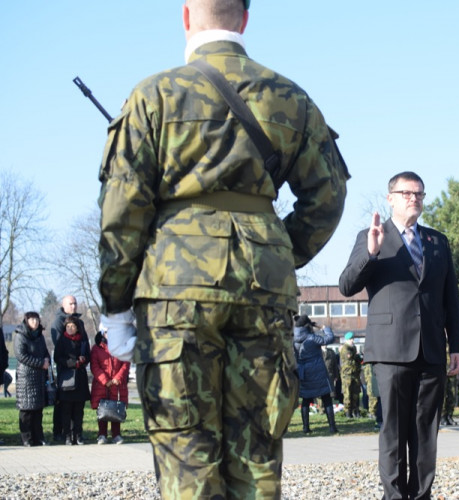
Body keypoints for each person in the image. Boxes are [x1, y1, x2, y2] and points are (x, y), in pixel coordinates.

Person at [96, 0, 348, 496]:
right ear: (245, 19)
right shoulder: (289, 97)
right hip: (263, 293)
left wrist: (116, 306)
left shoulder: (154, 95)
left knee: (185, 454)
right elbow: (328, 195)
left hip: (175, 291)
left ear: (187, 16)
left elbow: (122, 213)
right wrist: (272, 255)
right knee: (257, 454)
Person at [339, 171, 459, 500]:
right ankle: (393, 497)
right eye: (407, 193)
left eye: (420, 194)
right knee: (393, 433)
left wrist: (458, 346)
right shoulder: (372, 237)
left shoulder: (438, 242)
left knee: (425, 434)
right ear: (390, 198)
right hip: (391, 350)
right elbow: (346, 285)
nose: (414, 198)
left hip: (432, 350)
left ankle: (421, 495)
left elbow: (451, 297)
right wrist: (371, 252)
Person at [50, 295, 88, 442]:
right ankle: (60, 432)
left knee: (78, 406)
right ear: (63, 305)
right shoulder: (58, 321)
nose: (74, 306)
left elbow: (84, 342)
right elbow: (60, 347)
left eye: (75, 303)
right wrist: (73, 361)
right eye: (71, 303)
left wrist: (83, 358)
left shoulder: (80, 322)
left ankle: (76, 433)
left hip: (79, 371)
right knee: (63, 405)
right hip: (66, 371)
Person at [293, 315, 338, 434]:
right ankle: (332, 427)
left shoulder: (294, 339)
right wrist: (324, 327)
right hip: (318, 371)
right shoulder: (312, 337)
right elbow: (329, 339)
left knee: (306, 400)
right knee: (326, 398)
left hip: (304, 373)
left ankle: (306, 428)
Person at [13, 312, 50, 446]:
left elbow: (45, 352)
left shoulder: (40, 336)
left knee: (38, 410)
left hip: (39, 377)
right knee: (26, 410)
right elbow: (21, 355)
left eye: (37, 319)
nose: (35, 322)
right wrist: (41, 363)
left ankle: (38, 437)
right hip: (26, 377)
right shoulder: (20, 335)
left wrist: (47, 360)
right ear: (27, 321)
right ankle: (26, 438)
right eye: (32, 319)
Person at [90, 330, 131, 445]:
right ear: (103, 333)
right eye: (107, 332)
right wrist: (105, 380)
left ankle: (116, 434)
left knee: (116, 409)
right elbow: (94, 365)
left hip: (117, 384)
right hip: (101, 384)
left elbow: (126, 363)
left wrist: (118, 378)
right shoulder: (96, 348)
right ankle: (102, 434)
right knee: (102, 409)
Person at [339, 332, 362, 418]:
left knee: (355, 393)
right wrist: (356, 356)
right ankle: (348, 412)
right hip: (347, 374)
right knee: (347, 393)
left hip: (355, 373)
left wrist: (356, 356)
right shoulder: (345, 348)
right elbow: (350, 358)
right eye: (351, 339)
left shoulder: (353, 347)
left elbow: (355, 358)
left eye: (353, 339)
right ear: (347, 340)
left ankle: (355, 411)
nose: (352, 340)